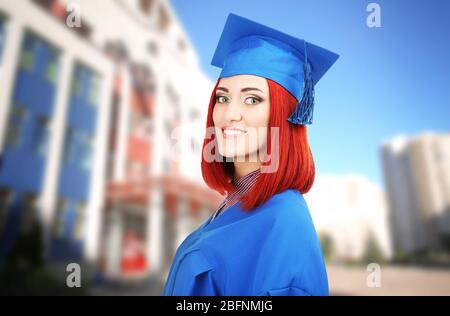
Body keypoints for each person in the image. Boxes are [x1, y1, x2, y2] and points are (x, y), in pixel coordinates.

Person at [163, 13, 339, 296]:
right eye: (222, 98)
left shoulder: (284, 225)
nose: (229, 114)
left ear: (285, 115)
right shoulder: (232, 207)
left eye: (252, 99)